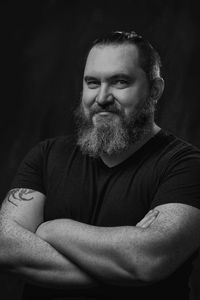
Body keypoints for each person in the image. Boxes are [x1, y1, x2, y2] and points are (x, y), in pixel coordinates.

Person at [0, 30, 200, 300]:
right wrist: (120, 271)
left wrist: (52, 228)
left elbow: (148, 259)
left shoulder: (185, 165)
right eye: (92, 83)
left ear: (155, 90)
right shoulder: (46, 155)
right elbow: (6, 245)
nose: (102, 97)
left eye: (120, 82)